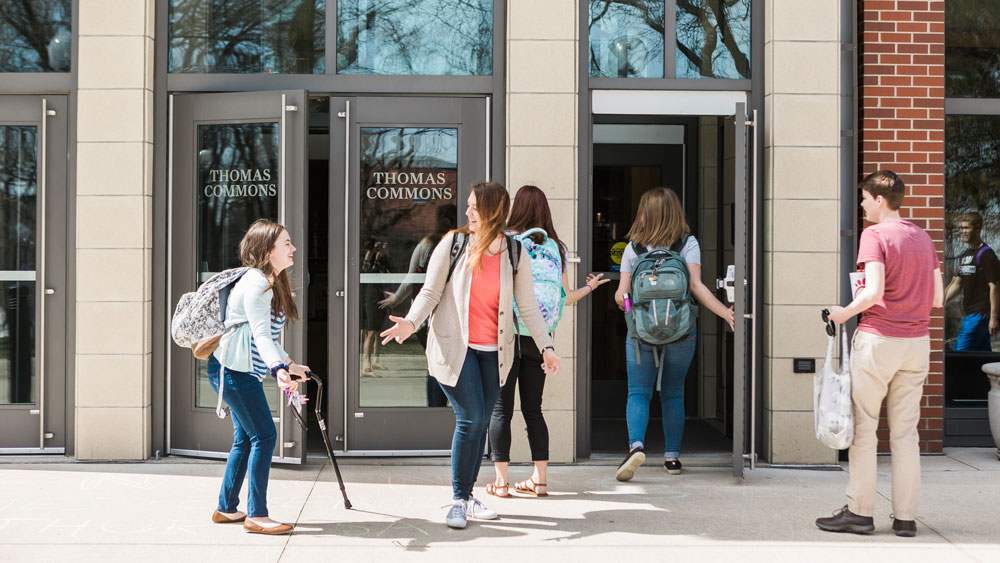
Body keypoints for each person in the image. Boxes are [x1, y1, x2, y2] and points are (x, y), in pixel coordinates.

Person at [380, 181, 560, 529]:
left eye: (474, 207)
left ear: (493, 211)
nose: (467, 212)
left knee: (478, 425)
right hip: (455, 348)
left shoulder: (513, 252)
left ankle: (469, 497)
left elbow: (528, 307)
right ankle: (459, 500)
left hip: (495, 353)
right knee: (472, 419)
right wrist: (411, 324)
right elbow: (430, 292)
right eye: (467, 206)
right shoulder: (454, 243)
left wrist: (546, 347)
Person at [815, 170, 943, 538]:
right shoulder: (923, 237)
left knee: (865, 428)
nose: (862, 204)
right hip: (918, 343)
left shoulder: (874, 235)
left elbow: (872, 292)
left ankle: (859, 512)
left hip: (878, 340)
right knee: (905, 434)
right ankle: (905, 518)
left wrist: (842, 314)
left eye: (865, 198)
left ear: (880, 200)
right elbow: (936, 299)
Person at [487, 185, 610, 498]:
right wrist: (591, 288)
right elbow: (565, 299)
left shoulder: (507, 242)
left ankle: (501, 483)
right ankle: (539, 480)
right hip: (542, 339)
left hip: (509, 333)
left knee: (501, 410)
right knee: (534, 410)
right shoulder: (557, 247)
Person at [612, 187, 735, 481]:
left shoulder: (634, 249)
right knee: (672, 392)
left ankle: (636, 446)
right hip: (682, 330)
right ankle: (672, 457)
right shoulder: (687, 244)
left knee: (638, 392)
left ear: (646, 213)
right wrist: (726, 313)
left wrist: (632, 311)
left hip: (640, 334)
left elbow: (621, 295)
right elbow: (696, 287)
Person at [207, 219, 309, 535]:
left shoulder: (269, 281)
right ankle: (257, 515)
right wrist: (278, 369)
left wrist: (288, 363)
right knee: (264, 436)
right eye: (287, 243)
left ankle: (226, 508)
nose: (293, 248)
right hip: (233, 372)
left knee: (245, 438)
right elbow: (262, 335)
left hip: (236, 369)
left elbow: (266, 336)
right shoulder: (256, 284)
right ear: (267, 250)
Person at [379, 204, 457, 407]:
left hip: (426, 317)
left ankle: (435, 410)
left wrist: (396, 299)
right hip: (455, 316)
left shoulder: (427, 243)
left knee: (435, 365)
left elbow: (412, 277)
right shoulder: (461, 244)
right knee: (452, 364)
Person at [945, 212, 999, 351]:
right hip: (969, 314)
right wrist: (940, 302)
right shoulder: (965, 255)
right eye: (961, 228)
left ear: (978, 227)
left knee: (958, 354)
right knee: (981, 360)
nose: (962, 231)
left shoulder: (987, 255)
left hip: (980, 315)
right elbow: (957, 284)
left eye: (966, 228)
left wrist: (994, 318)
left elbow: (995, 288)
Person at [360, 240, 390, 376]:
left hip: (379, 297)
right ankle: (366, 362)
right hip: (368, 298)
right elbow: (367, 273)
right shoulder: (365, 262)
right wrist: (371, 257)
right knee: (370, 331)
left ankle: (376, 360)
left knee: (377, 331)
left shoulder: (383, 262)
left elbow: (387, 276)